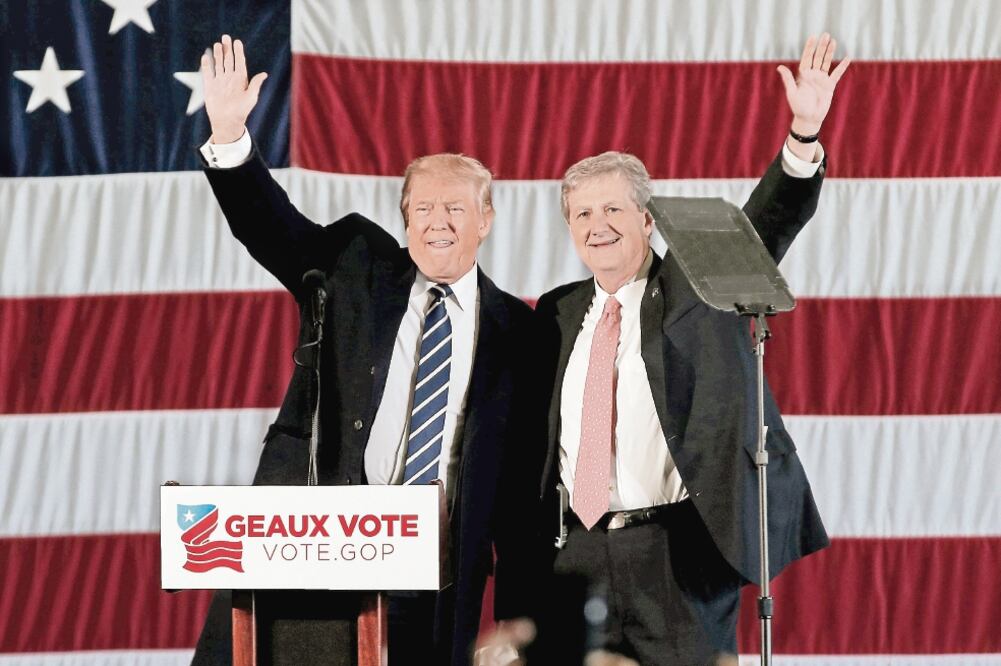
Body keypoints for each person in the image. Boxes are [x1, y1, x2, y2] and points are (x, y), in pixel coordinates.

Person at [190, 35, 545, 666]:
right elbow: (270, 227)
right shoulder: (352, 267)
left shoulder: (519, 332)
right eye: (424, 207)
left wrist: (518, 620)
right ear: (405, 217)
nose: (439, 221)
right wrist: (228, 136)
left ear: (486, 218)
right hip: (321, 540)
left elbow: (521, 489)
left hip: (439, 565)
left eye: (456, 207)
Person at [532, 34, 850, 664]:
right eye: (582, 213)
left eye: (614, 208)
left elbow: (767, 222)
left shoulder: (694, 284)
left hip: (675, 553)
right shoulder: (559, 311)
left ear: (648, 219)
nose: (598, 225)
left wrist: (804, 135)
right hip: (577, 550)